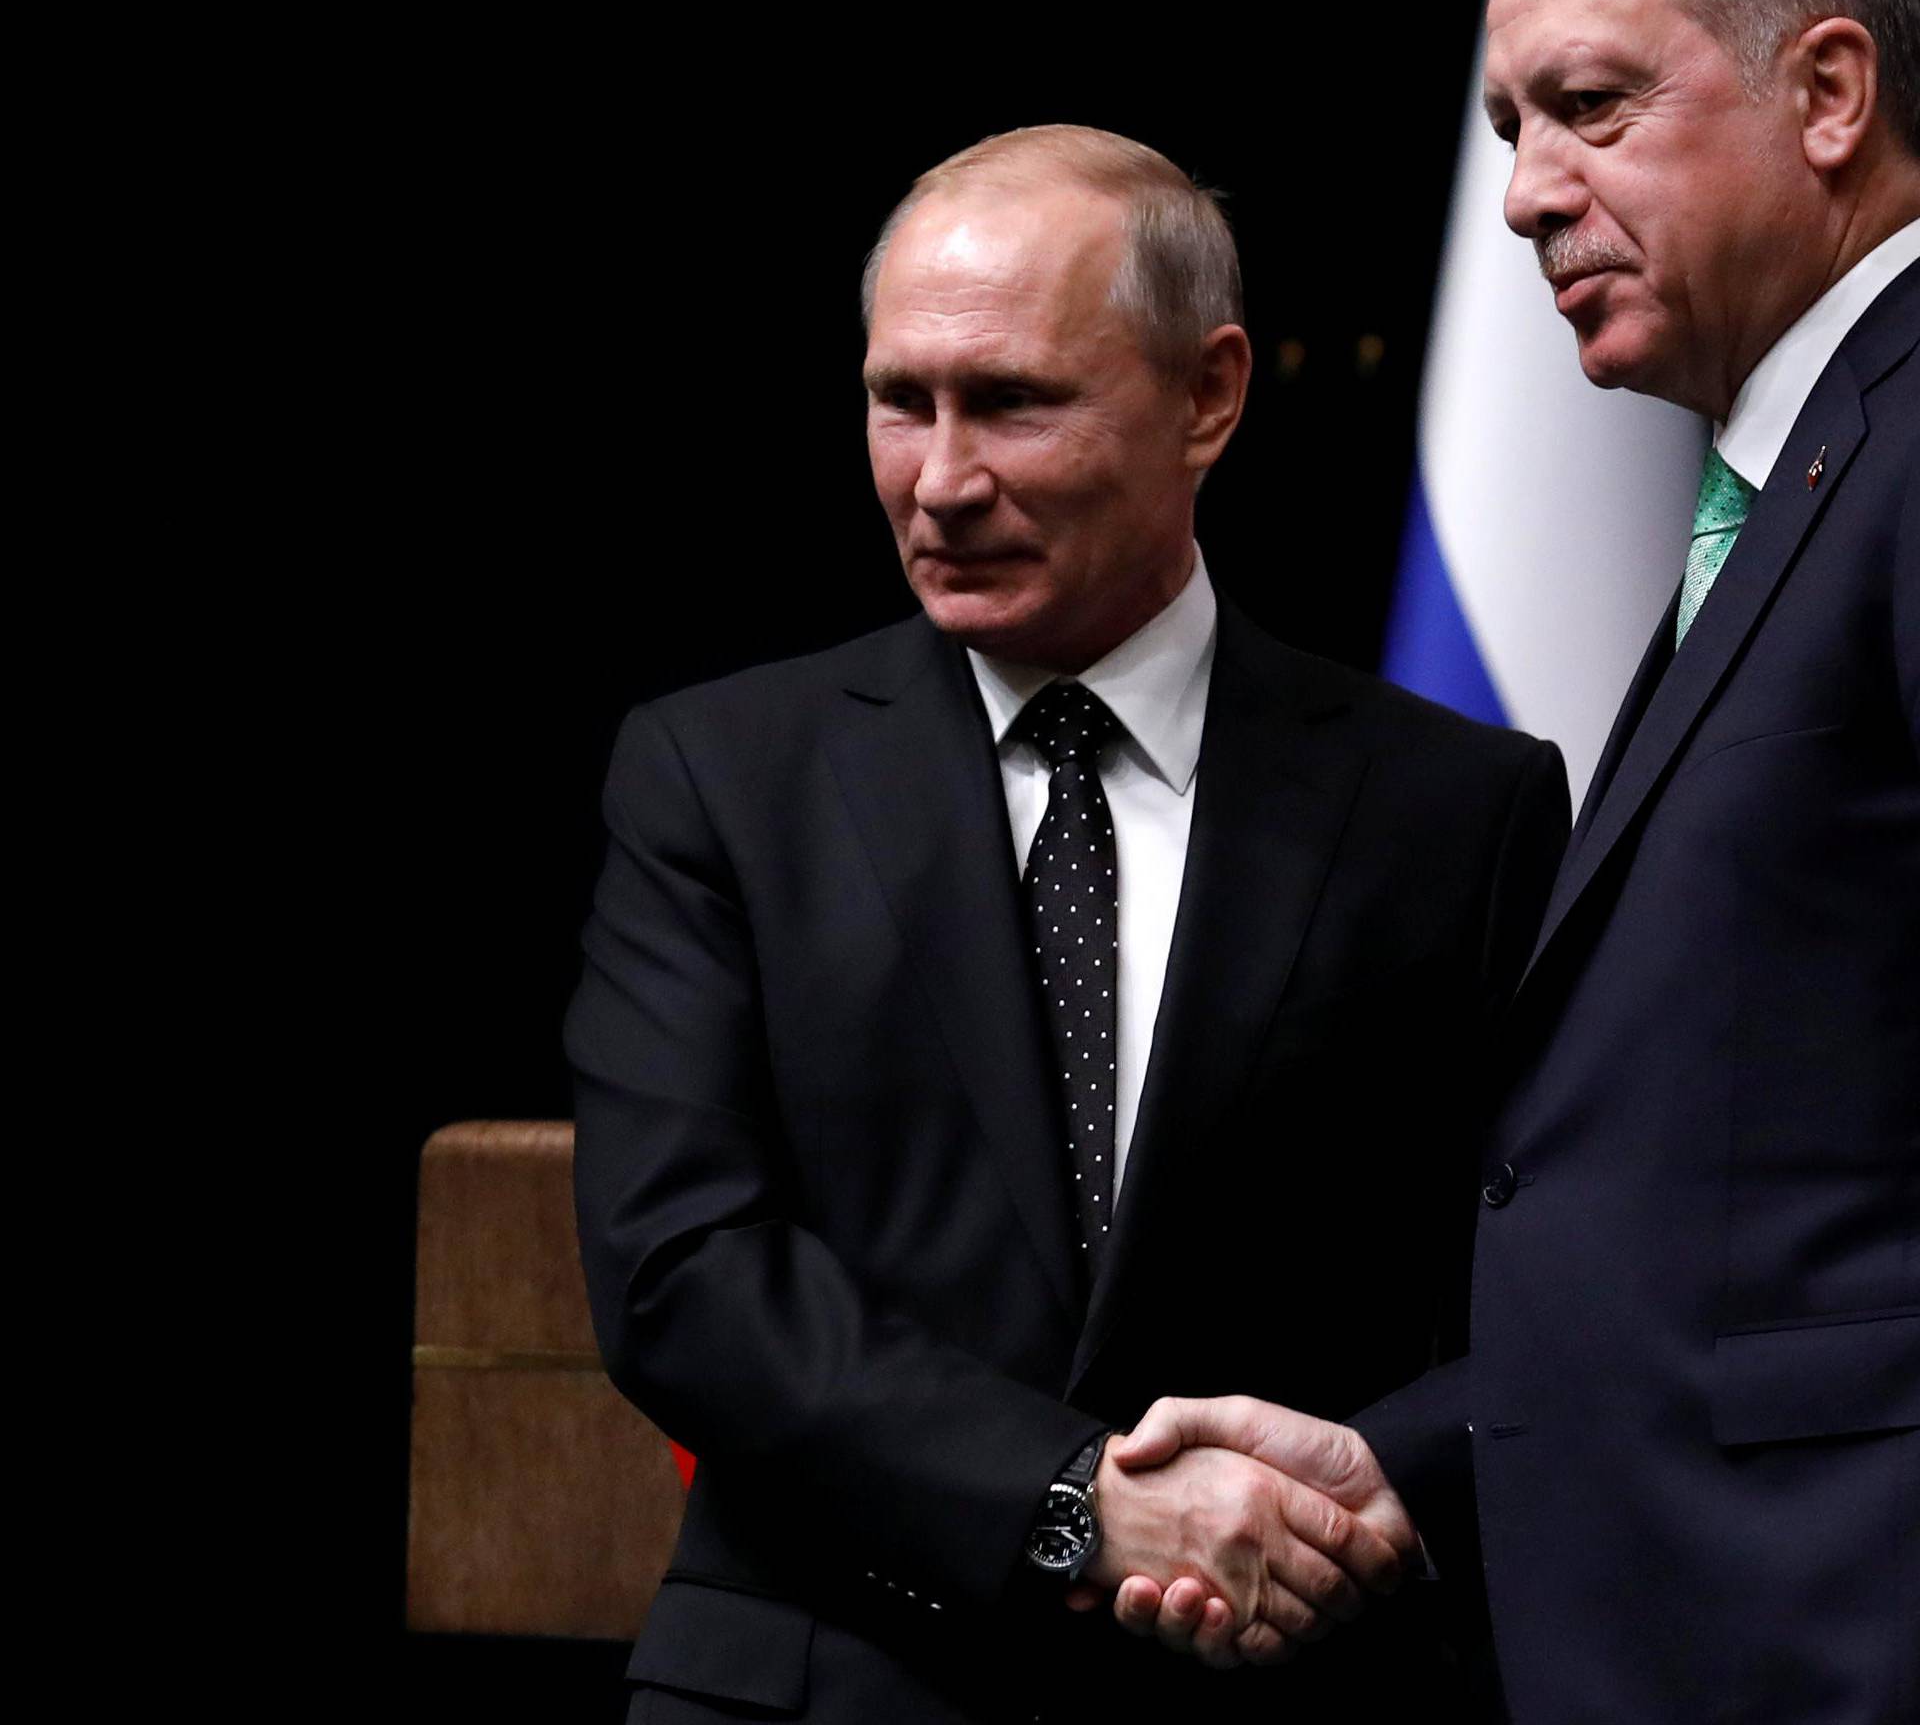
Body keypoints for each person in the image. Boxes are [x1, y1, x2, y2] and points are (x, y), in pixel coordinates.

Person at [567, 124, 1569, 1722]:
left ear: (1209, 395)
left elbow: (1554, 1273)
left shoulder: (1461, 810)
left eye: (1016, 403)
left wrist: (1376, 1489)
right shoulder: (717, 781)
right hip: (835, 1676)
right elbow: (683, 1269)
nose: (943, 481)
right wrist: (1074, 1502)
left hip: (1301, 1676)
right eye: (904, 402)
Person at [1111, 0, 1920, 1723]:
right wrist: (1415, 1458)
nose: (1532, 199)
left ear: (1827, 93)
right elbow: (1733, 1186)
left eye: (1592, 108)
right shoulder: (1790, 482)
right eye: (1508, 132)